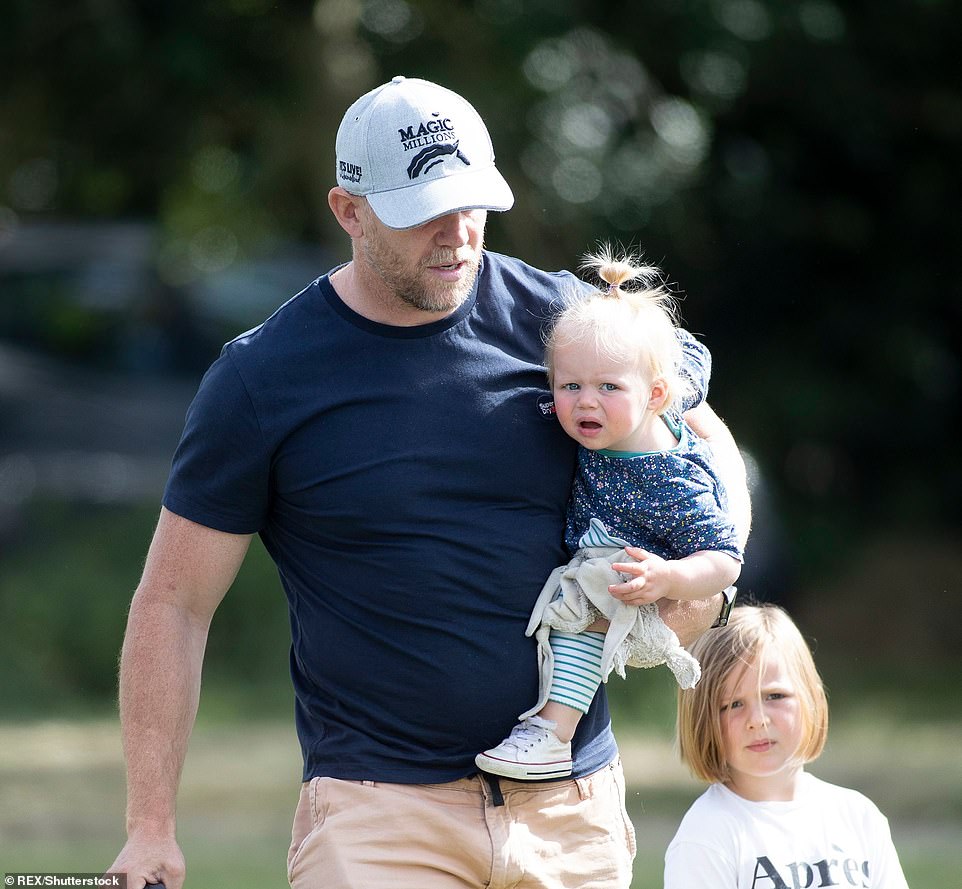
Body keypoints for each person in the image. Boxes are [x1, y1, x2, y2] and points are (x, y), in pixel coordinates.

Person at [108, 75, 751, 889]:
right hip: (379, 817)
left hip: (570, 811)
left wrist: (714, 564)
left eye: (473, 203)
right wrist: (149, 826)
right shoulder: (262, 379)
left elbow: (701, 428)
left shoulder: (563, 321)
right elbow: (173, 603)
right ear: (350, 211)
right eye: (424, 213)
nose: (457, 234)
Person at [475, 250, 743, 781]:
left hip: (642, 580)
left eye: (608, 388)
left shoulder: (670, 480)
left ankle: (554, 733)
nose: (585, 404)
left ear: (658, 396)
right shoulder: (613, 416)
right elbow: (674, 354)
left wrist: (666, 577)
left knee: (586, 602)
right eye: (569, 386)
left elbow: (726, 561)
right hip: (607, 549)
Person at [664, 604, 910, 889]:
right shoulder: (706, 836)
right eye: (733, 704)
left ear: (811, 698)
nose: (757, 720)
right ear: (702, 717)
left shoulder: (859, 817)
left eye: (775, 695)